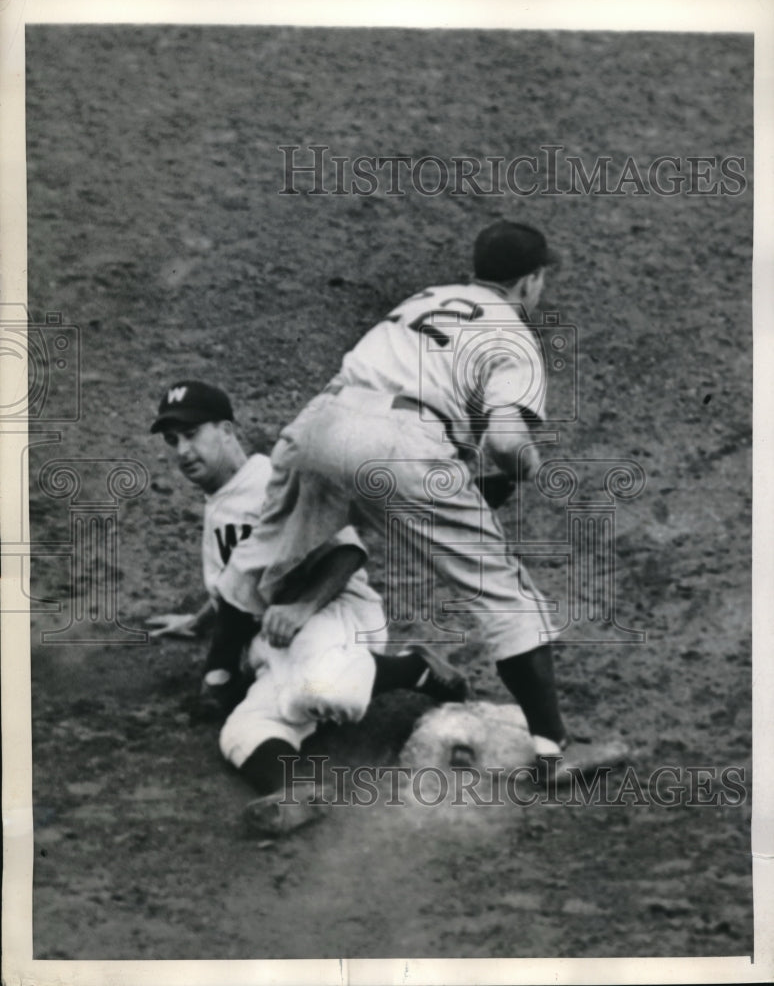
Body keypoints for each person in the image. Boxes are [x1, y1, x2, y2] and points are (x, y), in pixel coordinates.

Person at [219, 221, 628, 782]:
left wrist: (466, 482)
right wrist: (527, 468)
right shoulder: (513, 335)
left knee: (265, 549)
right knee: (505, 595)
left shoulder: (426, 298)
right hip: (403, 444)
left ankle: (218, 678)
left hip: (321, 423)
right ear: (531, 281)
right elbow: (506, 441)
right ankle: (555, 750)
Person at [147, 379, 469, 833]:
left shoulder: (273, 481)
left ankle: (412, 668)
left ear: (226, 430)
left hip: (334, 615)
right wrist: (200, 620)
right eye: (172, 440)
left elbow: (347, 552)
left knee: (325, 693)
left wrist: (300, 608)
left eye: (192, 434)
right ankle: (294, 792)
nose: (182, 451)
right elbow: (238, 584)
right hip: (279, 637)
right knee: (243, 729)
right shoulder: (220, 500)